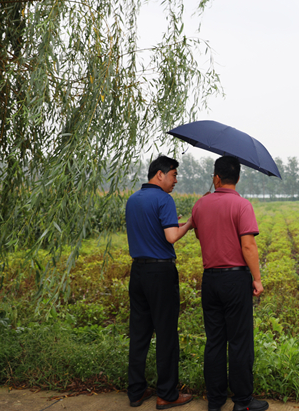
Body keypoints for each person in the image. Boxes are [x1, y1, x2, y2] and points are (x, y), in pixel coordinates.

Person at [190, 156, 269, 411]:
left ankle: (215, 401)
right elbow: (248, 246)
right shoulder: (242, 205)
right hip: (235, 280)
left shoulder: (200, 204)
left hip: (210, 280)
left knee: (214, 340)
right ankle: (242, 401)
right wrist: (257, 279)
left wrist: (205, 203)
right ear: (238, 177)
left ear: (216, 177)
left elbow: (200, 234)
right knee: (239, 341)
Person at [125, 155, 194, 409]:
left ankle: (136, 391)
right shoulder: (164, 199)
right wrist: (190, 223)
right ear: (160, 174)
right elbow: (171, 236)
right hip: (160, 273)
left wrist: (177, 224)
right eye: (174, 175)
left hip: (138, 272)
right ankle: (167, 394)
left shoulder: (133, 200)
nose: (176, 180)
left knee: (139, 333)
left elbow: (151, 231)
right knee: (166, 334)